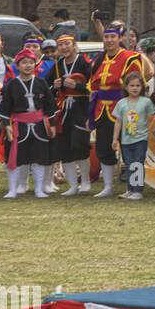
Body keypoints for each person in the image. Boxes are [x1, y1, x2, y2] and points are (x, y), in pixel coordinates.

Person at [88, 23, 145, 198]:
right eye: (106, 37)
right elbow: (92, 84)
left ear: (120, 39)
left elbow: (136, 84)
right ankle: (108, 187)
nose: (109, 40)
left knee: (132, 150)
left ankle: (135, 189)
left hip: (125, 109)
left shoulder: (130, 57)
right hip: (102, 110)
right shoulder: (99, 59)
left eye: (113, 37)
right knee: (104, 149)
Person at [0, 48, 57, 199]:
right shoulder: (11, 85)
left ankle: (39, 190)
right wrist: (7, 125)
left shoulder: (41, 83)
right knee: (15, 158)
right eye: (24, 63)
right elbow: (4, 107)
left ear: (35, 64)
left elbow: (50, 106)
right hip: (18, 125)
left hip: (39, 126)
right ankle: (12, 190)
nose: (28, 65)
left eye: (31, 62)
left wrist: (53, 124)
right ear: (17, 65)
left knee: (39, 158)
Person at [48, 34, 94, 195]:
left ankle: (86, 181)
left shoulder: (84, 62)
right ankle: (72, 185)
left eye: (67, 44)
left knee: (79, 144)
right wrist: (54, 86)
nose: (64, 48)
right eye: (60, 45)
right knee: (64, 146)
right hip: (62, 109)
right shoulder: (57, 65)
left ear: (74, 45)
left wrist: (77, 85)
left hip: (81, 108)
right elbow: (46, 88)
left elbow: (93, 86)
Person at [113, 71, 155, 199]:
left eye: (138, 85)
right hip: (126, 140)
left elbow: (152, 117)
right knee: (130, 164)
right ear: (126, 87)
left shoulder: (146, 102)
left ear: (142, 87)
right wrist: (115, 139)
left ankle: (138, 190)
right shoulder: (121, 103)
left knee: (138, 163)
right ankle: (130, 189)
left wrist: (148, 130)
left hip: (140, 139)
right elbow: (118, 122)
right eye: (132, 85)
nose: (135, 88)